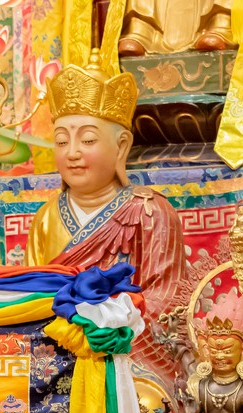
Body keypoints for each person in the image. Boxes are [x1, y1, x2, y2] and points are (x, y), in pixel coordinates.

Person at [27, 54, 185, 376]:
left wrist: (111, 325)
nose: (72, 152)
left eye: (87, 140)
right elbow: (31, 296)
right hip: (58, 351)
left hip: (128, 353)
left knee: (141, 400)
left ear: (122, 147)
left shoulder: (150, 211)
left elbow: (168, 300)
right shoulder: (45, 218)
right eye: (61, 141)